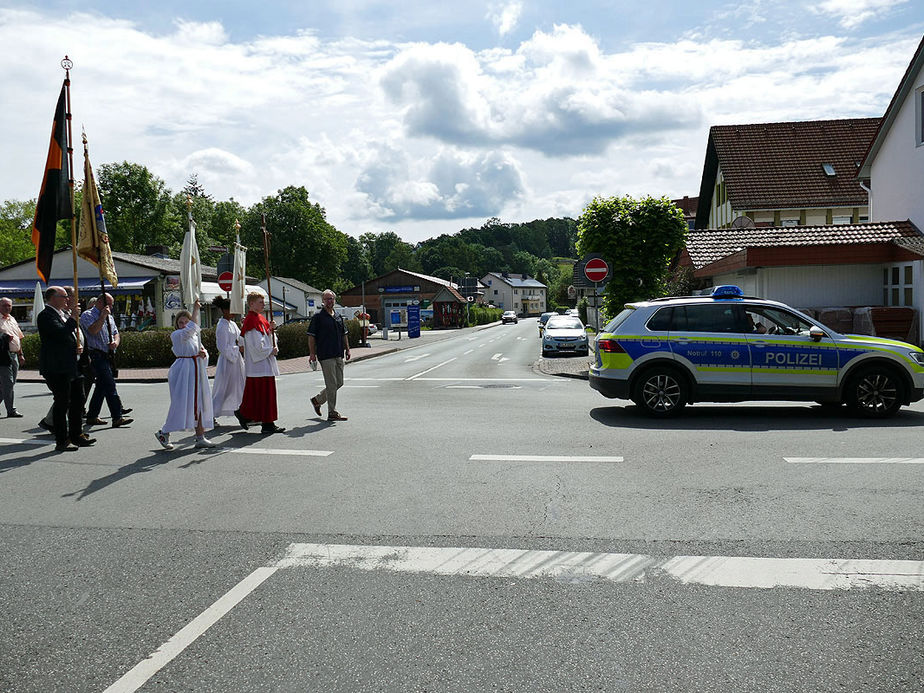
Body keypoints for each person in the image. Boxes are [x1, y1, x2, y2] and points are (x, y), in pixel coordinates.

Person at [37, 286, 94, 452]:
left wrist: (78, 348)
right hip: (57, 367)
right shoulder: (46, 315)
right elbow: (60, 334)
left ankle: (77, 434)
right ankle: (62, 439)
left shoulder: (63, 314)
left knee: (78, 399)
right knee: (62, 402)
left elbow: (69, 337)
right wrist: (73, 318)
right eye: (64, 296)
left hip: (72, 365)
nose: (67, 299)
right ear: (53, 298)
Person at [155, 301, 216, 450]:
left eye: (186, 322)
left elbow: (203, 352)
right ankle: (164, 432)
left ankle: (200, 436)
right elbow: (189, 330)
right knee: (182, 404)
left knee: (199, 404)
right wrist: (195, 309)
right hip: (183, 371)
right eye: (180, 322)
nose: (183, 325)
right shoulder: (177, 335)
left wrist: (203, 355)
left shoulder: (195, 338)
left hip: (196, 371)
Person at [80, 292, 133, 428]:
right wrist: (102, 316)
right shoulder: (88, 315)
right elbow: (93, 331)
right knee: (109, 385)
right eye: (108, 304)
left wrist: (115, 342)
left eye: (111, 305)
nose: (110, 307)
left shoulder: (109, 316)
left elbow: (116, 332)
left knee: (102, 387)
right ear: (99, 302)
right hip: (95, 354)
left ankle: (92, 415)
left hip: (107, 354)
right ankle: (117, 417)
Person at [235, 292, 285, 434]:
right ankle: (257, 419)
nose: (263, 305)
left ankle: (266, 422)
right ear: (251, 304)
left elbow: (265, 337)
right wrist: (270, 350)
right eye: (260, 302)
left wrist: (270, 329)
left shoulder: (260, 319)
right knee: (261, 395)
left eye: (263, 302)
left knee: (264, 396)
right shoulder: (251, 322)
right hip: (259, 365)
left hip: (264, 364)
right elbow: (255, 346)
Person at [308, 289, 351, 422]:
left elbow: (344, 334)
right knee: (332, 384)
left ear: (334, 300)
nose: (329, 301)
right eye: (326, 299)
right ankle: (332, 412)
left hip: (338, 353)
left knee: (339, 382)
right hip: (325, 355)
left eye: (331, 299)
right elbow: (311, 336)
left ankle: (317, 400)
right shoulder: (318, 317)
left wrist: (348, 349)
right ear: (323, 301)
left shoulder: (338, 316)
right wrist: (312, 353)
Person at [211, 295, 245, 423]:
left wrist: (244, 326)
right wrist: (237, 349)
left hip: (236, 361)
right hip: (227, 361)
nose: (233, 313)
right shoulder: (222, 326)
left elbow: (240, 337)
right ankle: (211, 414)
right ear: (224, 310)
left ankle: (243, 411)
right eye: (231, 310)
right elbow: (222, 347)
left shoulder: (232, 324)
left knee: (240, 385)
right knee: (223, 388)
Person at [0, 296, 25, 418]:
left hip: (14, 355)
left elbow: (19, 338)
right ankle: (11, 410)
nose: (7, 307)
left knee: (9, 383)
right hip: (3, 355)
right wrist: (3, 337)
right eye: (4, 305)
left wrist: (21, 354)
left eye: (9, 305)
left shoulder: (12, 319)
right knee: (8, 383)